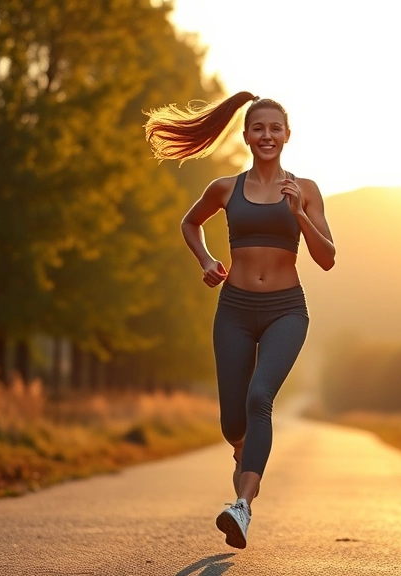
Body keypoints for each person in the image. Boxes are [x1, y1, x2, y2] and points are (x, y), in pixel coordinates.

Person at [143, 91, 335, 549]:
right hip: (234, 309)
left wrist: (300, 216)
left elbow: (327, 258)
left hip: (286, 310)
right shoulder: (225, 188)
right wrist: (206, 261)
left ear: (287, 136)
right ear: (247, 135)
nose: (266, 135)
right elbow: (190, 224)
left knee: (259, 396)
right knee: (233, 422)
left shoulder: (304, 189)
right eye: (258, 128)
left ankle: (242, 506)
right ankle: (243, 454)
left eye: (275, 128)